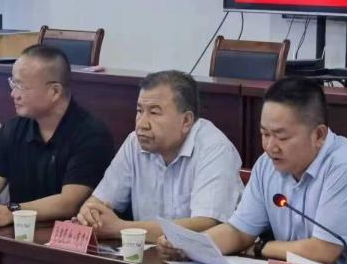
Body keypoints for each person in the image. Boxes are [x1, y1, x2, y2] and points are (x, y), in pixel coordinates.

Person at [166, 77, 347, 264]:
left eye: (281, 137)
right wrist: (190, 246)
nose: (270, 146)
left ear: (318, 135)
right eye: (265, 134)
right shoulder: (267, 165)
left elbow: (324, 251)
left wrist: (261, 247)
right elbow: (238, 232)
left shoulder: (345, 166)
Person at [0, 44, 114, 229]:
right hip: (19, 233)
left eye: (21, 86)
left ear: (54, 92)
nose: (13, 94)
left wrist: (13, 210)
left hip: (65, 237)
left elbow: (69, 202)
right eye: (13, 83)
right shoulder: (14, 129)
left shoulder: (91, 134)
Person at [76, 70, 243, 242]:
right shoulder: (135, 142)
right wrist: (90, 214)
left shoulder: (214, 148)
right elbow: (98, 202)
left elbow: (205, 225)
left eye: (154, 113)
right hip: (149, 253)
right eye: (139, 110)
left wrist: (121, 229)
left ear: (186, 121)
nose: (142, 124)